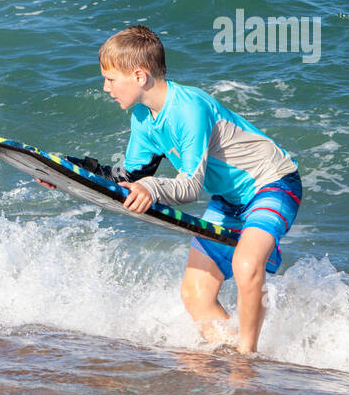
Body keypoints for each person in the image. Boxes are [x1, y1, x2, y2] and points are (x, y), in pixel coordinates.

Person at [93, 24, 302, 354]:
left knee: (246, 266)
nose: (106, 88)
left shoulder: (189, 109)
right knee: (195, 293)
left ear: (139, 76)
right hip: (231, 199)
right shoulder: (143, 119)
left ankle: (247, 361)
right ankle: (231, 351)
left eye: (110, 79)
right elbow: (127, 175)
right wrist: (66, 171)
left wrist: (150, 187)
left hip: (272, 183)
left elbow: (189, 186)